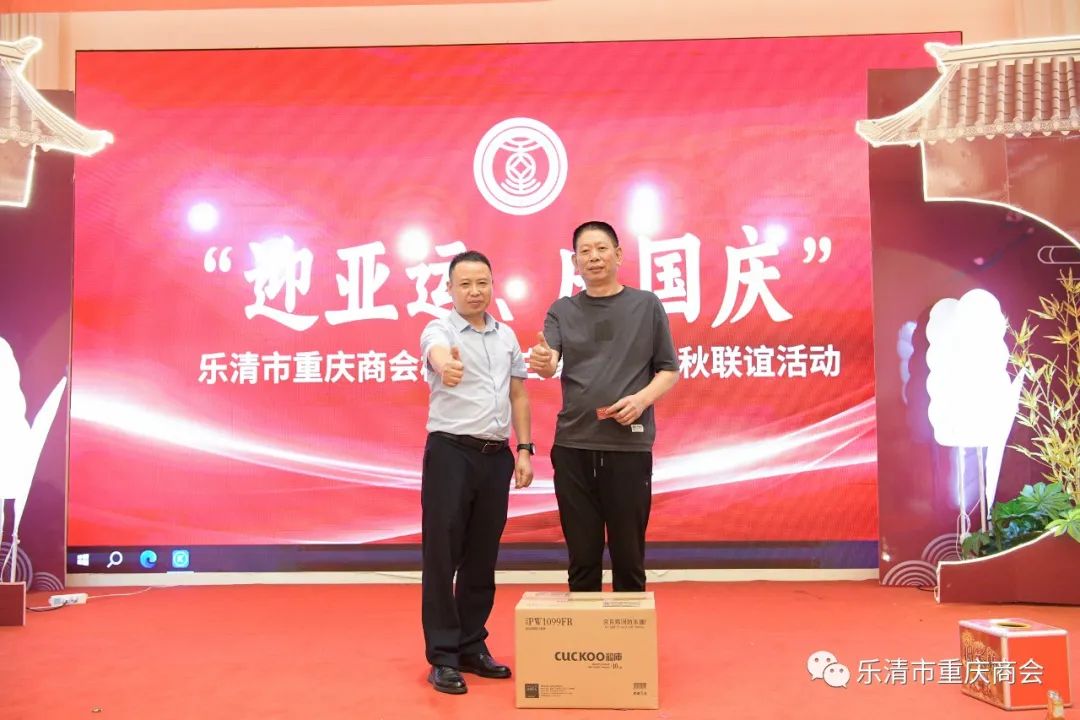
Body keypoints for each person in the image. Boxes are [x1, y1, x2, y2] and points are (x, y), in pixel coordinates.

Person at [528, 221, 678, 592]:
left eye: (601, 248)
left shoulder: (646, 305)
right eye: (585, 251)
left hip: (628, 446)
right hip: (573, 445)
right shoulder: (562, 310)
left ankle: (628, 630)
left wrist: (641, 400)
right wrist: (544, 361)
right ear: (574, 262)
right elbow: (549, 362)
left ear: (618, 254)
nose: (593, 257)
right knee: (582, 557)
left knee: (629, 556)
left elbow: (669, 370)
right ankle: (585, 628)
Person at [419, 249, 534, 695]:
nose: (474, 291)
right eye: (464, 284)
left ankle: (471, 645)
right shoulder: (440, 329)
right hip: (451, 453)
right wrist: (444, 364)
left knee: (482, 556)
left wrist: (523, 449)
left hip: (496, 456)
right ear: (449, 288)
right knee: (442, 556)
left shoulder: (507, 336)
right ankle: (443, 656)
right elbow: (436, 353)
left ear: (492, 285)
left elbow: (519, 395)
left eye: (482, 282)